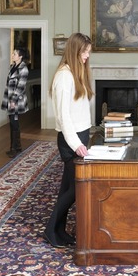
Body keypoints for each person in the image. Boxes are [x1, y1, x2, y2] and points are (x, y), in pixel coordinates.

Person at [44, 32, 93, 248]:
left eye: (88, 52)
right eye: (84, 52)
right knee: (75, 189)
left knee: (68, 188)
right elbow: (64, 117)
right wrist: (77, 145)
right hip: (70, 139)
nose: (87, 56)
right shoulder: (64, 76)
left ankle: (59, 231)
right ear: (74, 50)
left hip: (80, 135)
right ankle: (50, 229)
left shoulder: (77, 71)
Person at [1, 47, 29, 158]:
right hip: (9, 98)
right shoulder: (12, 67)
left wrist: (13, 100)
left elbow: (21, 86)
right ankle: (16, 147)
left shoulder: (23, 69)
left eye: (14, 54)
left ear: (20, 56)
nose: (12, 55)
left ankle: (15, 148)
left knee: (14, 122)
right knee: (12, 122)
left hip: (16, 101)